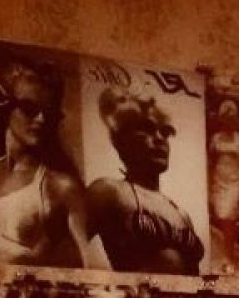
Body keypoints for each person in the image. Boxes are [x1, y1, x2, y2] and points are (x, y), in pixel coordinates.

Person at [0, 60, 90, 268]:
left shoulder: (61, 186)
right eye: (29, 108)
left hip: (12, 287)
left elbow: (94, 268)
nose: (41, 119)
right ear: (6, 107)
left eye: (49, 112)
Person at [87, 89, 204, 275]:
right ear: (121, 140)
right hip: (140, 293)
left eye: (165, 132)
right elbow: (63, 252)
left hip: (185, 294)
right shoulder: (108, 192)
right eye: (147, 129)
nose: (159, 139)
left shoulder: (181, 214)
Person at [207, 99, 239, 268]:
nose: (230, 121)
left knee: (227, 216)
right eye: (227, 118)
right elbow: (210, 162)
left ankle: (228, 258)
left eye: (233, 118)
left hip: (235, 184)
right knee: (222, 218)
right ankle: (229, 249)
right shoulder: (215, 139)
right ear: (222, 119)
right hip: (218, 183)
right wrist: (209, 185)